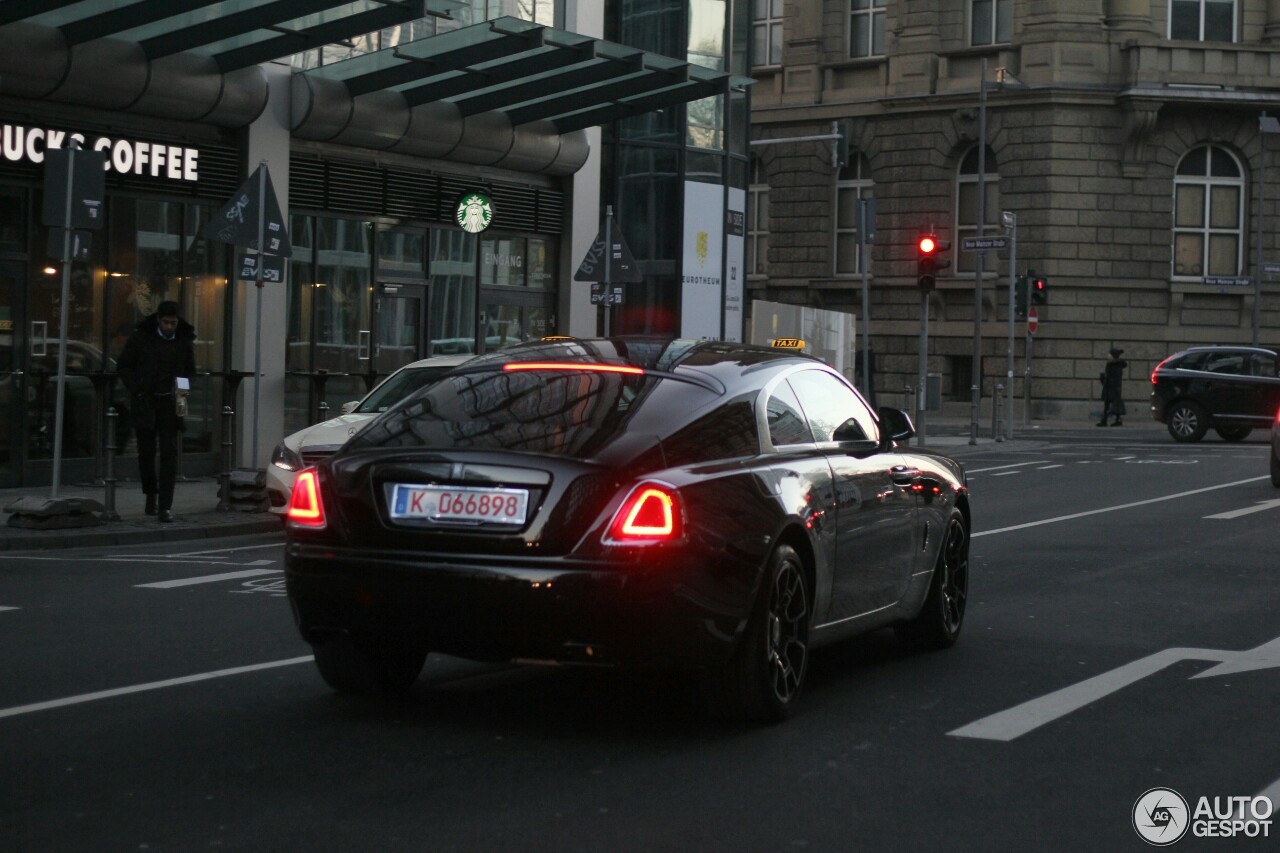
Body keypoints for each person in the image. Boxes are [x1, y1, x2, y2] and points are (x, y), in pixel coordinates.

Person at [117, 301, 195, 522]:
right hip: (147, 402)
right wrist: (137, 389)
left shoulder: (182, 342)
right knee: (146, 453)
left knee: (169, 456)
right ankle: (151, 495)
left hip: (170, 403)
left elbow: (190, 371)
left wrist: (183, 391)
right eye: (167, 323)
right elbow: (124, 366)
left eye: (173, 323)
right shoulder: (142, 339)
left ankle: (165, 506)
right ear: (159, 320)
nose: (170, 327)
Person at [1098, 347, 1127, 427]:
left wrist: (1106, 379)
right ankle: (1106, 420)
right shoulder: (1111, 364)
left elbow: (1115, 377)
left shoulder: (1116, 366)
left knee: (1115, 404)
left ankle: (1114, 420)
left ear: (1113, 356)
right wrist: (1103, 378)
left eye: (1110, 354)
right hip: (1110, 387)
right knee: (1108, 404)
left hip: (1113, 387)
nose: (1108, 355)